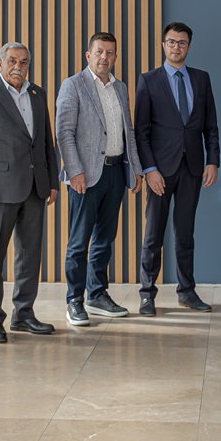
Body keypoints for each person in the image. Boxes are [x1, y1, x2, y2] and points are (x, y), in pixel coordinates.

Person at [0, 43, 59, 343]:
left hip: (35, 187)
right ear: (0, 62)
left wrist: (52, 181)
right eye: (12, 60)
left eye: (24, 61)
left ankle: (24, 314)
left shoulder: (38, 93)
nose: (18, 66)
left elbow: (46, 142)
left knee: (30, 255)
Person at [55, 32, 143, 327]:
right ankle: (74, 300)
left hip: (116, 172)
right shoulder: (73, 85)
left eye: (110, 52)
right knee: (79, 241)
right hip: (86, 174)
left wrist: (136, 168)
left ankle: (97, 295)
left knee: (105, 239)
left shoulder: (120, 87)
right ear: (88, 55)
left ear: (115, 57)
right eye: (99, 51)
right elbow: (64, 132)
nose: (105, 57)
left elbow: (128, 131)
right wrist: (75, 170)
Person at [134, 22, 220, 316]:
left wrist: (212, 160)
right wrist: (150, 169)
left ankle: (187, 292)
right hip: (160, 170)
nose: (176, 47)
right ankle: (147, 294)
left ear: (189, 47)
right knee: (153, 236)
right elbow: (141, 131)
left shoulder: (201, 79)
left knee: (185, 234)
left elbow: (211, 126)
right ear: (163, 45)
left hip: (192, 167)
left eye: (182, 43)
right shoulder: (149, 80)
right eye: (171, 42)